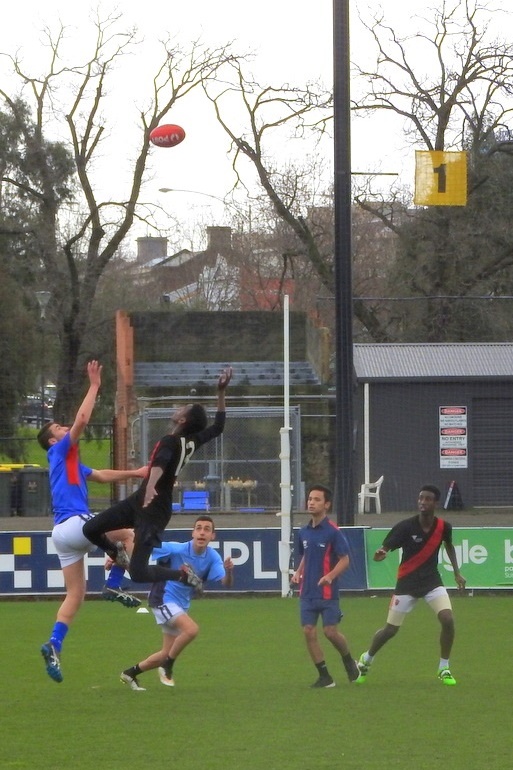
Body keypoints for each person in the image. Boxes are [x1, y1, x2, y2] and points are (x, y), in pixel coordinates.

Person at [37, 360, 148, 684]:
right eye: (59, 428)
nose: (65, 428)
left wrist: (135, 473)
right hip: (77, 524)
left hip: (62, 534)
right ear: (55, 441)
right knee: (130, 533)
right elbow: (82, 419)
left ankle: (54, 644)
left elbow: (100, 475)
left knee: (75, 594)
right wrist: (95, 385)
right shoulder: (59, 453)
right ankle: (114, 585)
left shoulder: (70, 463)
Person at [83, 367, 232, 586]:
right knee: (91, 529)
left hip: (154, 508)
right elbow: (218, 427)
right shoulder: (192, 440)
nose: (179, 409)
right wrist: (220, 392)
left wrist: (151, 486)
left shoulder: (170, 441)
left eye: (184, 408)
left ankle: (181, 574)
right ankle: (117, 553)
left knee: (138, 574)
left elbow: (160, 464)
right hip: (141, 500)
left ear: (182, 420)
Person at [357, 484, 466, 686]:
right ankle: (367, 658)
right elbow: (385, 547)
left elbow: (449, 546)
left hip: (432, 582)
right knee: (390, 631)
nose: (423, 502)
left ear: (435, 503)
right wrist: (381, 553)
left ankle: (444, 668)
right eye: (420, 498)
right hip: (406, 585)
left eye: (427, 499)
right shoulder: (406, 526)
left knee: (448, 619)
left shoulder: (443, 527)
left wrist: (457, 573)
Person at [120, 515, 234, 691]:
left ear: (213, 536)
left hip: (180, 606)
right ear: (193, 533)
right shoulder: (176, 549)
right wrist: (117, 555)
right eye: (199, 528)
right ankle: (168, 666)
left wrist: (228, 571)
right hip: (162, 599)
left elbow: (226, 583)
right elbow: (142, 550)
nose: (202, 532)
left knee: (165, 653)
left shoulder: (212, 557)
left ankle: (130, 673)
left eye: (207, 529)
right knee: (192, 630)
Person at [291, 484, 361, 688]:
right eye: (310, 499)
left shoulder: (333, 532)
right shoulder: (303, 532)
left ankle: (349, 661)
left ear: (327, 505)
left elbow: (345, 560)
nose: (311, 502)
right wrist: (298, 572)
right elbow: (305, 556)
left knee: (330, 632)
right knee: (308, 631)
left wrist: (330, 576)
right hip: (307, 592)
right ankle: (325, 676)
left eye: (316, 499)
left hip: (328, 593)